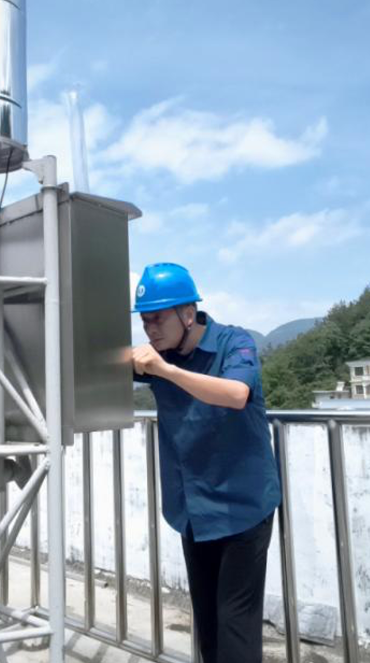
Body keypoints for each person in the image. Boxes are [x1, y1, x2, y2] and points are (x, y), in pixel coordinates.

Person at [130, 262, 282, 663]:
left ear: (187, 313)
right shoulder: (159, 356)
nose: (149, 328)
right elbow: (97, 364)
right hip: (195, 511)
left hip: (243, 507)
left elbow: (235, 393)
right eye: (144, 320)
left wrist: (166, 371)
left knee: (235, 629)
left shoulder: (235, 342)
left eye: (157, 318)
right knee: (210, 630)